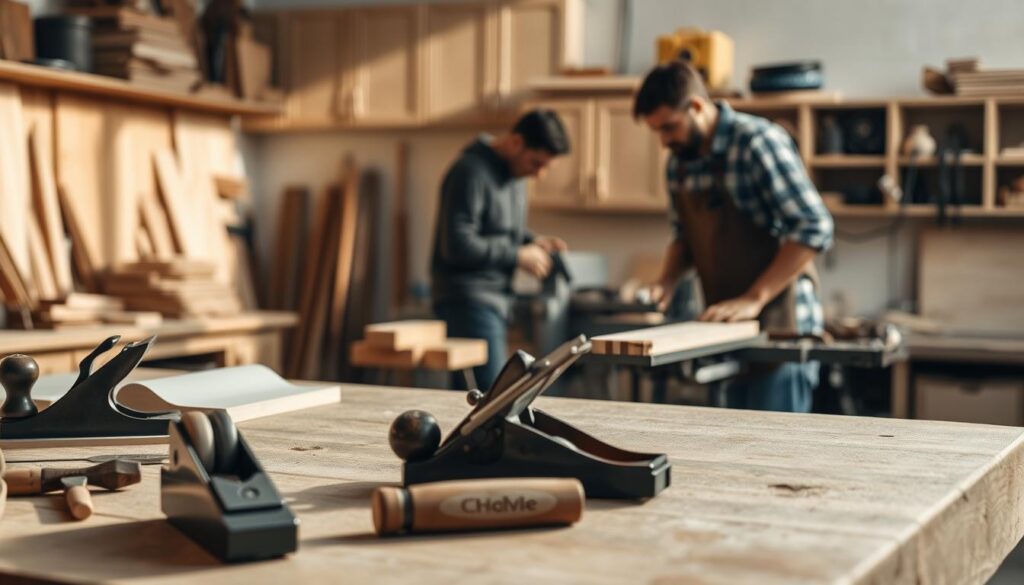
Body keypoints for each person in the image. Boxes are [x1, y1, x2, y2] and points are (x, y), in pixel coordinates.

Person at [633, 61, 834, 413]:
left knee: (775, 456)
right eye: (657, 132)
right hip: (729, 329)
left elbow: (813, 226)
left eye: (669, 127)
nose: (665, 141)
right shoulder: (679, 162)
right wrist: (666, 281)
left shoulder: (757, 142)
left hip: (782, 329)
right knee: (738, 454)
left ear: (696, 106)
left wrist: (754, 298)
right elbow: (684, 237)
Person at [431, 110, 571, 391]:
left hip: (493, 301)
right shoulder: (470, 172)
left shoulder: (513, 176)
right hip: (467, 301)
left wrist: (532, 242)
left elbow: (501, 232)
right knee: (490, 404)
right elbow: (457, 244)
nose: (539, 174)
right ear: (516, 142)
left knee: (488, 401)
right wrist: (518, 255)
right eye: (536, 163)